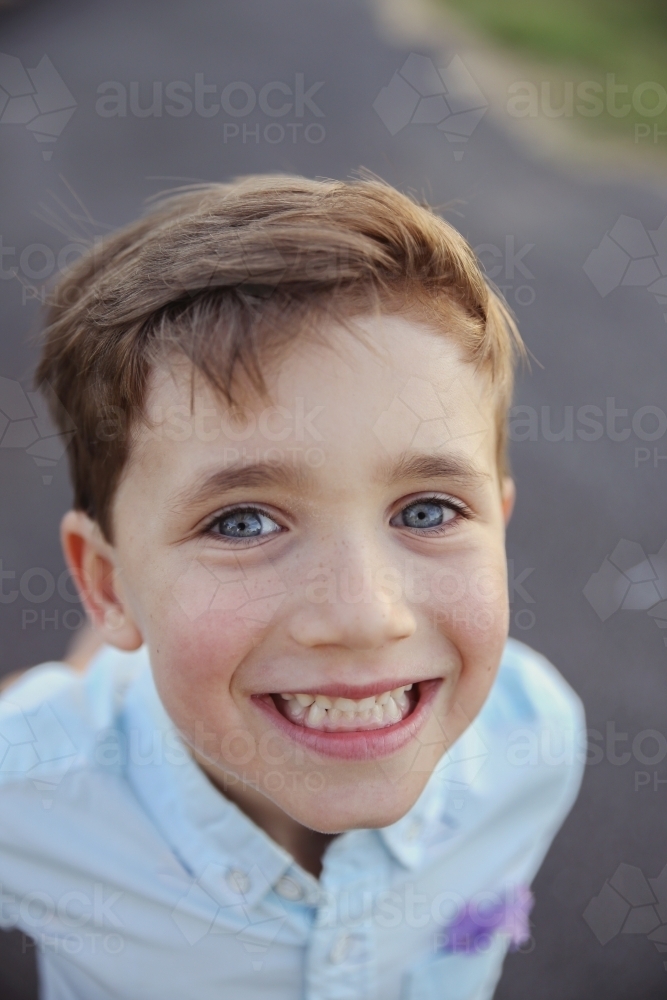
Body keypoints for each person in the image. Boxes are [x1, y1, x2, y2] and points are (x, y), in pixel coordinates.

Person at [0, 175, 585, 1000]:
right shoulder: (29, 797)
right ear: (108, 585)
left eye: (426, 509)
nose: (364, 616)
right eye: (242, 523)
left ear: (498, 520)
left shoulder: (536, 739)